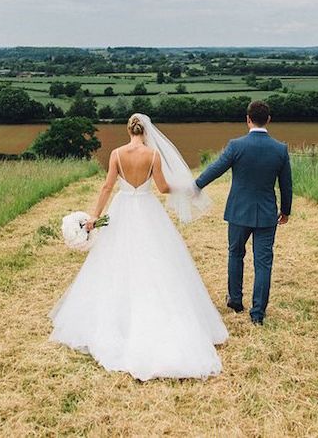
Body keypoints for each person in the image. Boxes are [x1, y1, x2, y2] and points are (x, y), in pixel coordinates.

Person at [49, 113, 228, 381]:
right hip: (146, 208)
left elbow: (108, 186)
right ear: (146, 131)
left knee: (113, 262)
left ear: (129, 130)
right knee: (156, 261)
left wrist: (94, 217)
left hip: (123, 208)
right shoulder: (153, 156)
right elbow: (164, 188)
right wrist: (184, 187)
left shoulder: (117, 154)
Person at [194, 100, 292, 325]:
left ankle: (235, 300)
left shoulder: (236, 146)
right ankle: (258, 314)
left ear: (248, 119)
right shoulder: (280, 149)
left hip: (239, 212)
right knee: (263, 263)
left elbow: (216, 169)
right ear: (268, 120)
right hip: (267, 214)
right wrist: (285, 210)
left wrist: (196, 185)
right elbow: (286, 185)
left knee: (235, 254)